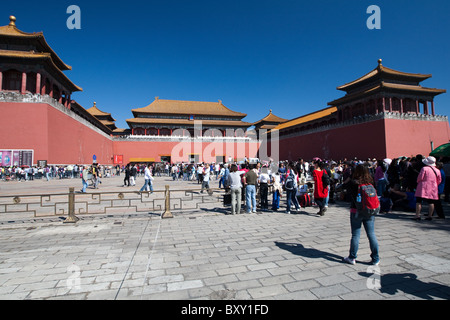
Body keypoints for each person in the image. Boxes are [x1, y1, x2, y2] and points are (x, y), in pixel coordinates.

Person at [343, 164, 380, 266]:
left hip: (356, 211)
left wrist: (350, 178)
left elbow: (343, 188)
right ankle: (376, 258)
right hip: (369, 211)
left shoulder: (353, 183)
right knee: (371, 234)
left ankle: (352, 257)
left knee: (355, 235)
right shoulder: (371, 181)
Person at [413, 156, 441, 221]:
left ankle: (417, 215)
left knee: (418, 201)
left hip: (423, 186)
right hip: (433, 187)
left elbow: (420, 177)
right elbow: (439, 180)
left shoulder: (424, 168)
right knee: (431, 202)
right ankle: (430, 216)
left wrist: (418, 181)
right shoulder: (437, 170)